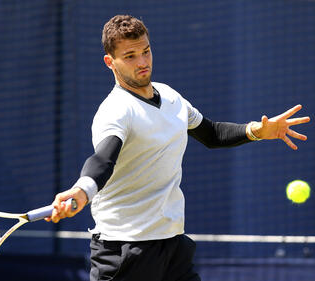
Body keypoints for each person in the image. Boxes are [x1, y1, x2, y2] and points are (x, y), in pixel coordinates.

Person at [46, 15, 310, 281]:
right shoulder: (115, 111)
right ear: (110, 62)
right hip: (124, 250)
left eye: (146, 51)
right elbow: (103, 159)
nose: (142, 62)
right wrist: (82, 191)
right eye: (130, 56)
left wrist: (257, 131)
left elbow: (212, 133)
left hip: (172, 246)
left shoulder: (171, 97)